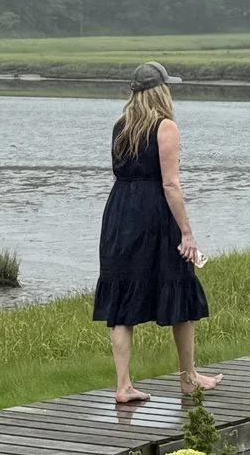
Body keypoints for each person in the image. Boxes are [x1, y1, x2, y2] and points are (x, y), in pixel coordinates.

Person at [94, 61, 221, 405]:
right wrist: (188, 232)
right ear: (161, 91)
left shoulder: (121, 126)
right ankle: (188, 378)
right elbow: (170, 183)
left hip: (120, 212)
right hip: (155, 214)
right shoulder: (166, 127)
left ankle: (123, 385)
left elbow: (120, 174)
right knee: (180, 285)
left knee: (121, 299)